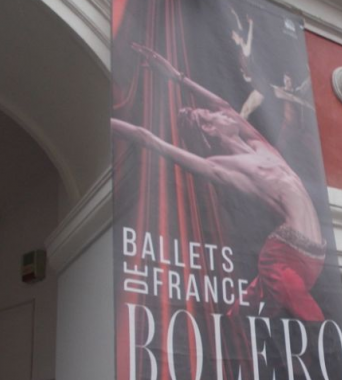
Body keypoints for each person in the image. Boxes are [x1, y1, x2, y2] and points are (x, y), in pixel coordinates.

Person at [113, 44, 326, 322]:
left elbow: (222, 105)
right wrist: (108, 122)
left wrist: (178, 77)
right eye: (212, 115)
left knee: (239, 317)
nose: (225, 113)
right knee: (316, 325)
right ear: (209, 128)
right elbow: (149, 139)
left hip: (315, 257)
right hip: (284, 258)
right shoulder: (223, 167)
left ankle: (230, 323)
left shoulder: (258, 145)